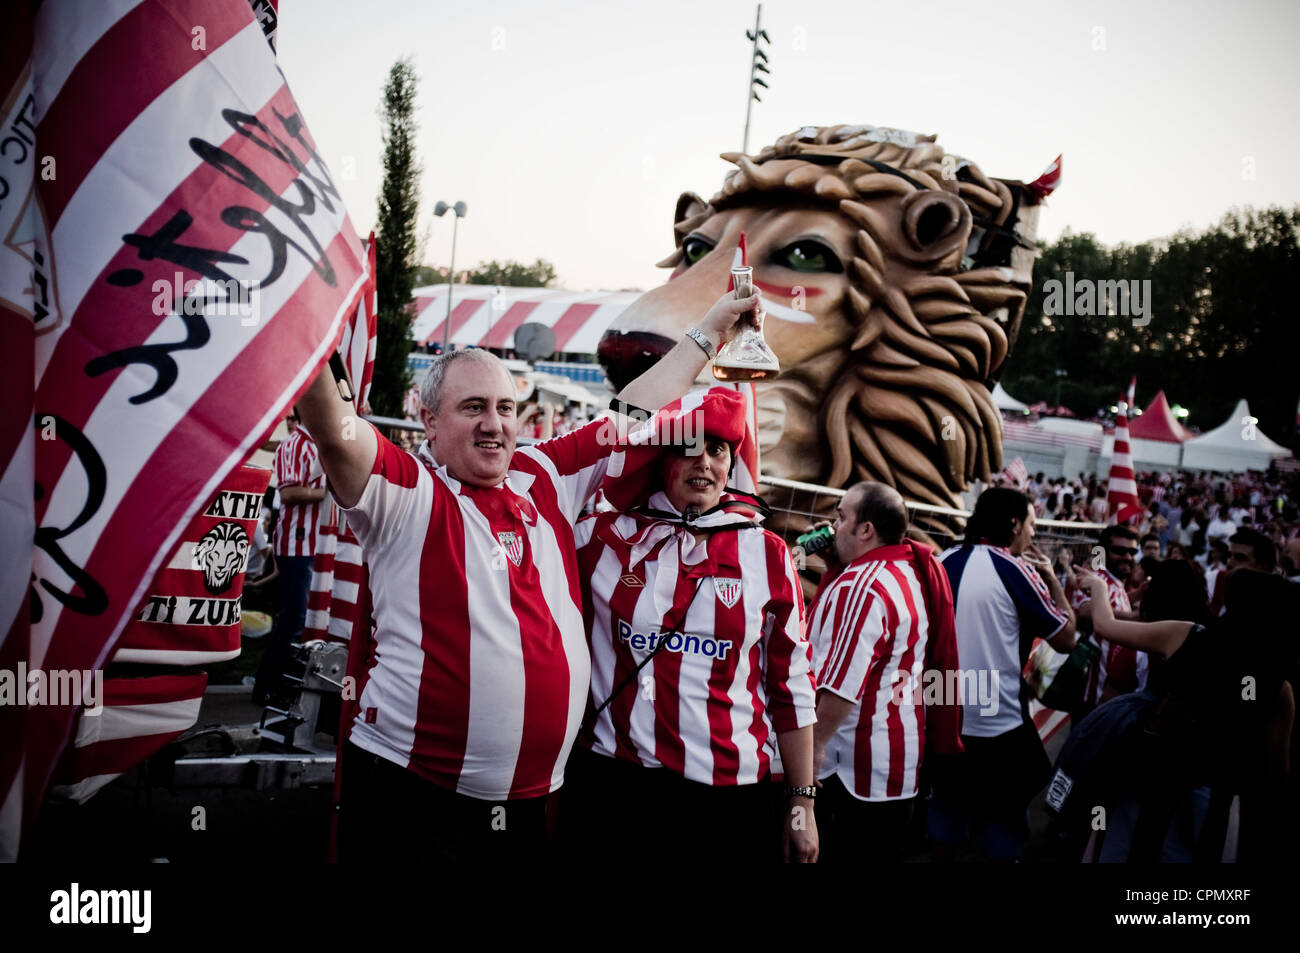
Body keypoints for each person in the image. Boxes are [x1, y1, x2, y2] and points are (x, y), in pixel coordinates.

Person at [295, 289, 762, 862]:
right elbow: (332, 427)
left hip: (528, 802)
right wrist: (297, 315)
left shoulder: (541, 474)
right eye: (473, 408)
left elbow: (635, 409)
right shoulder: (407, 492)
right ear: (429, 419)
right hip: (415, 791)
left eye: (505, 408)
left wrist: (712, 326)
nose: (494, 425)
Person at [564, 389, 818, 863]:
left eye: (717, 449)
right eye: (687, 448)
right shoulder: (602, 537)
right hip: (614, 783)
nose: (703, 461)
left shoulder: (768, 554)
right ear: (661, 459)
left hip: (726, 798)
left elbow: (792, 687)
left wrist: (802, 804)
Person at [1059, 568, 1295, 861]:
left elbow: (1104, 626)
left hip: (1149, 781)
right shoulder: (1279, 686)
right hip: (1211, 803)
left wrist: (1097, 586)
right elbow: (1275, 774)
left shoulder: (1186, 635)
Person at [806, 482, 963, 864]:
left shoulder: (862, 585)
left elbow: (841, 685)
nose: (833, 526)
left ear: (866, 530)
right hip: (894, 767)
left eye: (842, 517)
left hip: (850, 771)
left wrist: (811, 752)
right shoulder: (907, 571)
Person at [930, 487, 1076, 861]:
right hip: (1000, 727)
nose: (1032, 534)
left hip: (941, 719)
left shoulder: (941, 562)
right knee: (1002, 826)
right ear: (1013, 524)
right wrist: (1054, 582)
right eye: (1030, 524)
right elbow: (1067, 640)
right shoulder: (1017, 570)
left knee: (945, 823)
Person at [252, 412, 327, 705]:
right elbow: (290, 493)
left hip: (312, 544)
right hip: (297, 544)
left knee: (302, 618)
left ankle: (283, 687)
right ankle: (268, 688)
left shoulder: (320, 444)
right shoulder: (295, 443)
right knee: (294, 618)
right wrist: (329, 493)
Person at [1072, 524, 1145, 708]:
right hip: (1093, 693)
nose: (1128, 557)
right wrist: (1135, 618)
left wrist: (1138, 594)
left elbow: (1111, 605)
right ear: (1104, 552)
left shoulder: (1115, 582)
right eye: (1120, 550)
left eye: (1132, 551)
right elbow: (1085, 610)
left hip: (1111, 695)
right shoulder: (1096, 578)